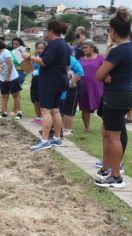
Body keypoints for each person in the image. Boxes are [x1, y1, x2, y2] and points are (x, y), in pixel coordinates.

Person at [94, 7, 132, 188]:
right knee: (110, 133)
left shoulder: (118, 51)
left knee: (114, 137)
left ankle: (116, 176)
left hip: (115, 95)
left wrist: (107, 72)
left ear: (113, 32)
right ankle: (108, 170)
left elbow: (98, 75)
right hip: (126, 95)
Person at [23, 20, 70, 151]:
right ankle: (56, 138)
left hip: (50, 81)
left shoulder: (54, 44)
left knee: (45, 110)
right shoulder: (65, 44)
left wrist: (29, 57)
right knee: (55, 109)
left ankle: (44, 140)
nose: (46, 33)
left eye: (47, 30)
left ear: (51, 31)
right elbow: (66, 63)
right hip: (61, 79)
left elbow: (45, 62)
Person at [78, 40, 104, 132]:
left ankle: (106, 127)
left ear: (92, 48)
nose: (84, 49)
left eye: (86, 47)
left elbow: (106, 70)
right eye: (83, 48)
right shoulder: (81, 59)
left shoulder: (100, 58)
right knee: (85, 108)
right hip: (84, 87)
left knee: (103, 107)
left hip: (98, 87)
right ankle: (87, 127)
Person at [0, 38, 20, 118]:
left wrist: (8, 76)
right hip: (3, 78)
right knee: (4, 95)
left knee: (15, 95)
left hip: (12, 77)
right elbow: (0, 66)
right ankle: (4, 112)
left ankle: (18, 113)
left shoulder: (6, 52)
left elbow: (10, 65)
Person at [62, 55, 84, 136]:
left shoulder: (70, 59)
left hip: (74, 86)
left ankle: (69, 129)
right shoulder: (63, 58)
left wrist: (72, 83)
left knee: (69, 108)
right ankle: (64, 127)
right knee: (64, 107)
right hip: (66, 85)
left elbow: (80, 72)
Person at [30, 41, 46, 125]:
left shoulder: (47, 58)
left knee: (41, 100)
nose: (40, 50)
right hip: (35, 78)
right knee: (35, 99)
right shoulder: (34, 57)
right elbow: (30, 68)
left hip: (43, 79)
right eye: (38, 48)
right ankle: (37, 117)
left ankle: (43, 118)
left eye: (42, 48)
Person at [10, 37, 25, 120]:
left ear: (20, 45)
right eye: (13, 44)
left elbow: (24, 66)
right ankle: (15, 109)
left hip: (19, 74)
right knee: (14, 93)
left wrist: (15, 67)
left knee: (16, 92)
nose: (15, 45)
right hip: (12, 74)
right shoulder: (10, 52)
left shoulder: (20, 52)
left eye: (17, 44)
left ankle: (16, 110)